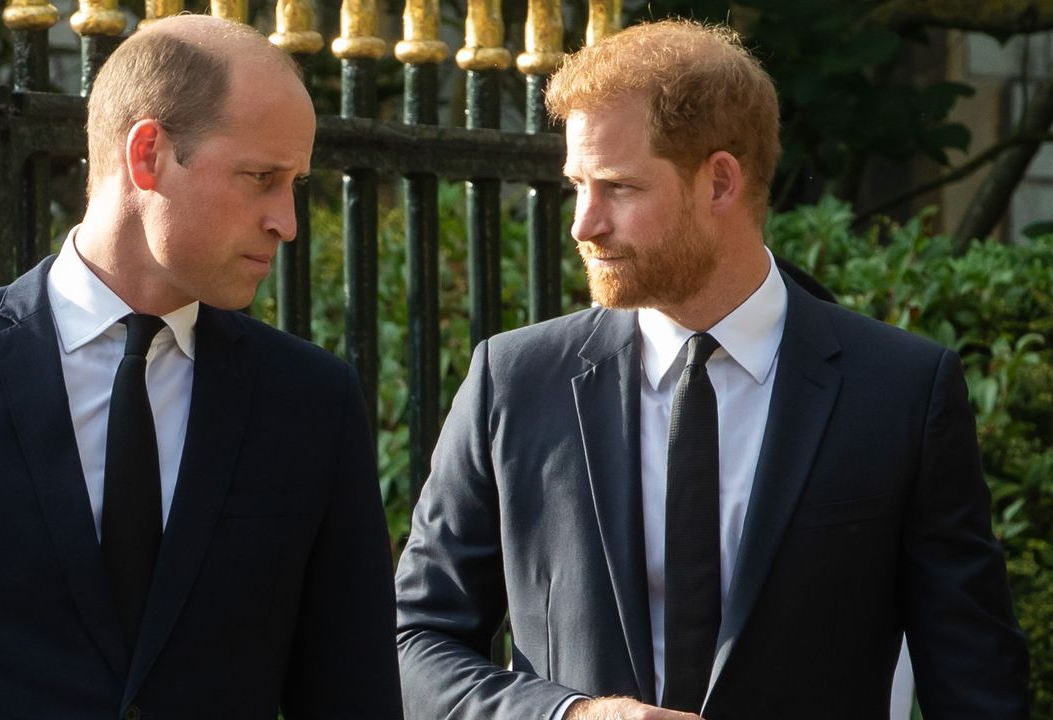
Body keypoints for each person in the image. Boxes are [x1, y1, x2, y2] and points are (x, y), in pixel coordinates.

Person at [394, 18, 1028, 720]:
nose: (583, 223)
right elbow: (412, 641)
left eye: (618, 187)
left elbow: (976, 679)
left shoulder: (902, 391)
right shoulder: (512, 382)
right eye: (577, 183)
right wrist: (567, 716)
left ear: (720, 182)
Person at [0, 15, 402, 719]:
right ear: (148, 156)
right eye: (261, 178)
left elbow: (355, 698)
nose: (287, 221)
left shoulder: (311, 404)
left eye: (293, 184)